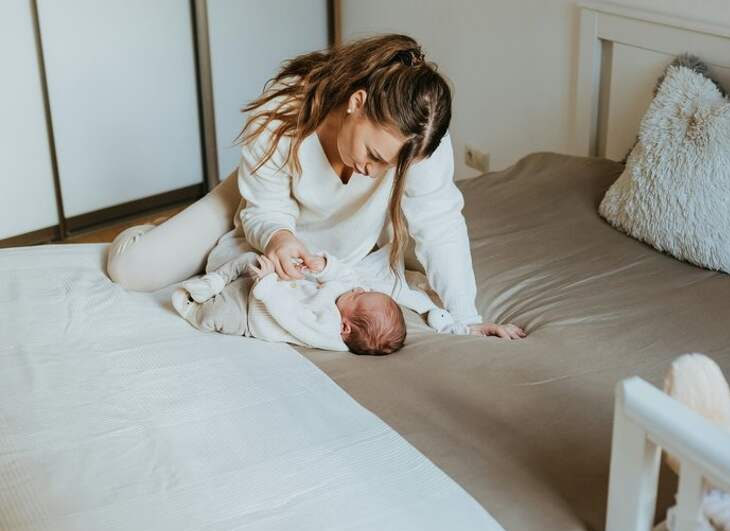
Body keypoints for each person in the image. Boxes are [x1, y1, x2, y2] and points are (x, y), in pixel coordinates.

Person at [107, 33, 525, 340]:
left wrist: (467, 317)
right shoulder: (283, 110)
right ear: (357, 103)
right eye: (373, 155)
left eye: (390, 168)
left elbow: (439, 223)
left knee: (428, 256)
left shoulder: (417, 142)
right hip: (259, 193)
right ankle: (166, 224)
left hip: (333, 237)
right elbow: (266, 209)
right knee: (130, 271)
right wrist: (278, 235)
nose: (374, 172)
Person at [172, 249, 415, 355]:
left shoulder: (326, 330)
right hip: (267, 286)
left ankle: (192, 307)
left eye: (359, 296)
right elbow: (348, 277)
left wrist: (268, 283)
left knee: (217, 315)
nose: (359, 289)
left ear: (345, 327)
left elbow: (291, 314)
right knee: (250, 259)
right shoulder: (349, 297)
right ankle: (213, 282)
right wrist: (324, 266)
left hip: (250, 316)